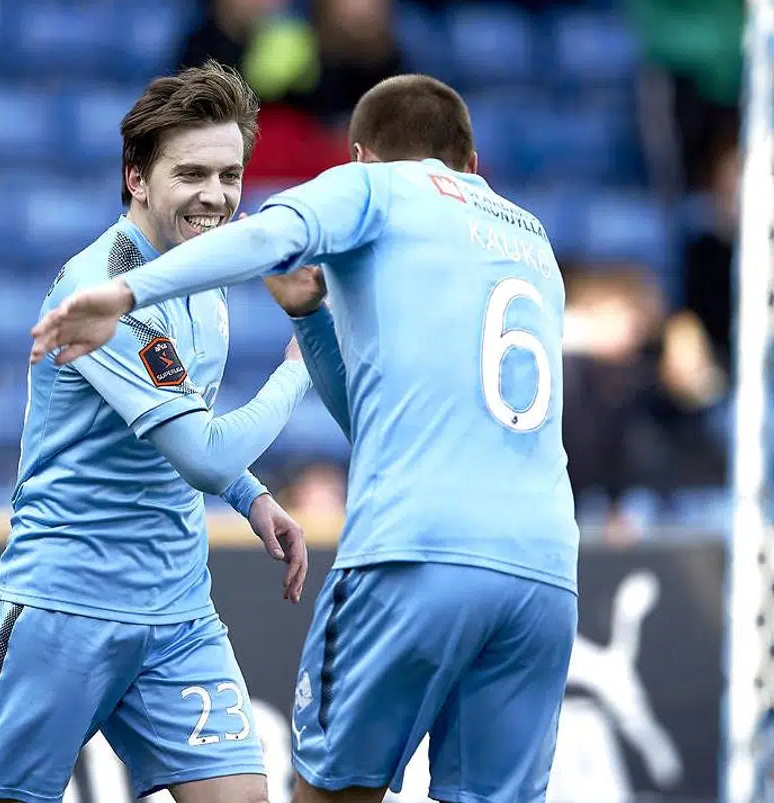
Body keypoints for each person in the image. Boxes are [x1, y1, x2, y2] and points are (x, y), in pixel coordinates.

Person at [29, 73, 579, 803]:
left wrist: (128, 291)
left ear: (359, 157)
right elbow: (373, 425)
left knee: (331, 794)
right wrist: (310, 321)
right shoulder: (531, 236)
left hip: (413, 551)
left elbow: (266, 234)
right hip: (546, 570)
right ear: (470, 166)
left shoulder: (376, 188)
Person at [0, 60, 317, 803]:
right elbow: (202, 453)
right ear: (137, 180)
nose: (216, 195)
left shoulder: (200, 272)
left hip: (178, 610)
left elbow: (184, 426)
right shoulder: (104, 291)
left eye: (230, 175)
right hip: (67, 608)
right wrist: (299, 367)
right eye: (192, 174)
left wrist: (253, 497)